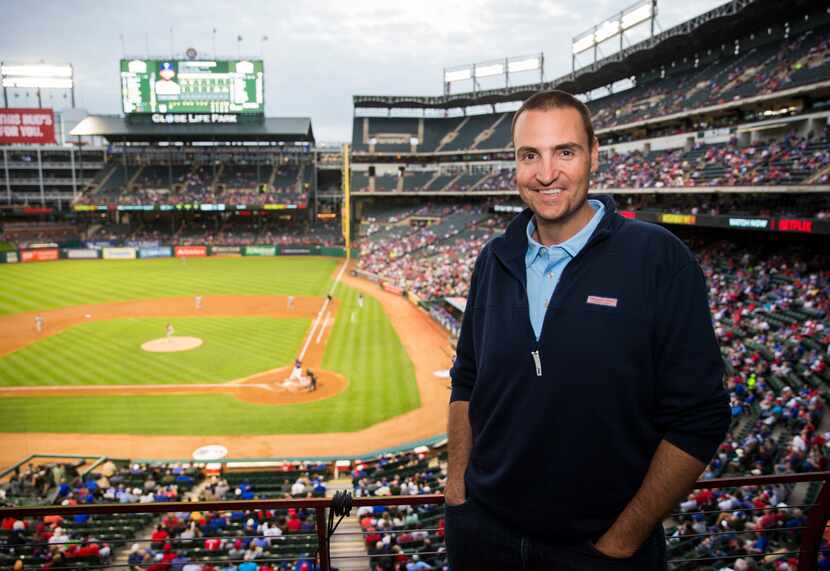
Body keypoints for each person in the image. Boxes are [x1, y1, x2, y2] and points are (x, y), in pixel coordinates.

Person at [445, 90, 730, 570]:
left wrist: (621, 543)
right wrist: (457, 490)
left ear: (594, 154)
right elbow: (467, 377)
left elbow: (701, 417)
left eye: (566, 152)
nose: (546, 172)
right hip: (484, 538)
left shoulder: (659, 258)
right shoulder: (493, 259)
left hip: (600, 550)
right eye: (529, 155)